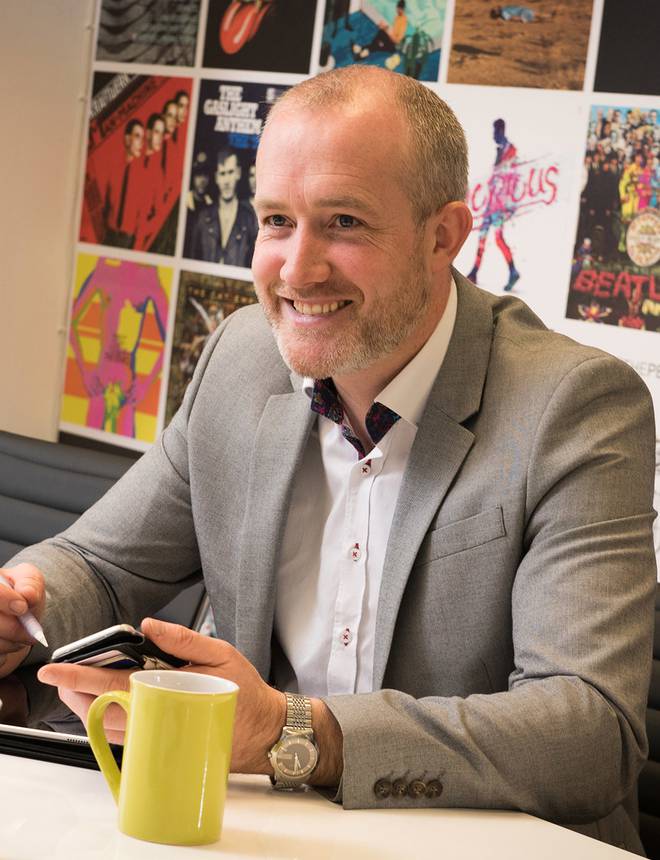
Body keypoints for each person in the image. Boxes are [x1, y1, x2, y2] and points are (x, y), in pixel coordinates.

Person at [0, 66, 655, 854]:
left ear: (445, 234)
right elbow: (99, 566)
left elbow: (588, 729)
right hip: (258, 832)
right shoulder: (244, 358)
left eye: (343, 222)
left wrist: (295, 734)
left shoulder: (573, 405)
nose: (297, 269)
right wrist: (23, 613)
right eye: (276, 220)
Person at [468, 118, 521, 291]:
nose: (493, 135)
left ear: (501, 131)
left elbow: (513, 178)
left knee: (498, 238)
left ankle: (512, 271)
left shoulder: (510, 150)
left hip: (500, 205)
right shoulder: (500, 150)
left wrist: (510, 205)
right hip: (492, 203)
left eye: (495, 132)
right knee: (482, 236)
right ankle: (475, 271)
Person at [190, 148, 258, 266]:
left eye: (230, 172)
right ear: (216, 178)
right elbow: (192, 260)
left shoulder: (249, 219)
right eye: (222, 174)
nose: (226, 181)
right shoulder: (203, 216)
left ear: (238, 173)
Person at [100, 118, 146, 248]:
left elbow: (141, 219)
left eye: (142, 138)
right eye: (137, 136)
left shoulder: (143, 176)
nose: (141, 143)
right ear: (127, 139)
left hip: (127, 241)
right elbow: (104, 205)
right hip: (108, 236)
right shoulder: (112, 168)